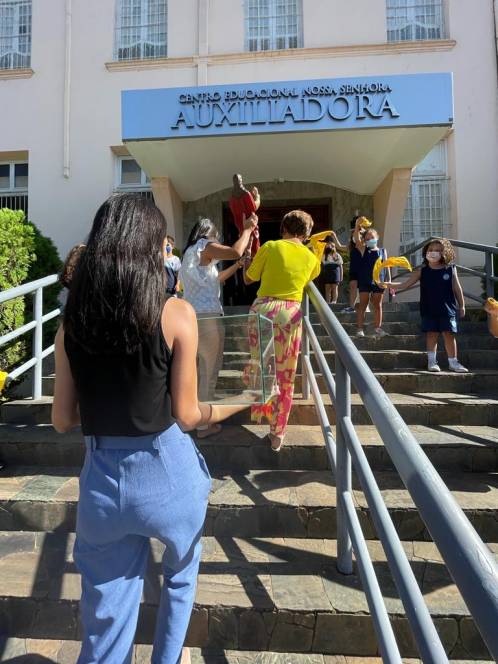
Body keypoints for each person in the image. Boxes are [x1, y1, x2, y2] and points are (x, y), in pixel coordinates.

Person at [51, 194, 252, 664]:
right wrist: (239, 402)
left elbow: (62, 419)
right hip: (166, 471)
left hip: (102, 479)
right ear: (150, 246)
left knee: (105, 611)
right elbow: (187, 414)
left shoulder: (71, 324)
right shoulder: (175, 313)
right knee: (179, 579)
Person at [243, 210, 320, 451]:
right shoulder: (311, 257)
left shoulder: (271, 246)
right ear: (306, 233)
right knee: (286, 376)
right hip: (290, 313)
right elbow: (309, 278)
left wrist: (247, 259)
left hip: (263, 310)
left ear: (283, 228)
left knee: (261, 367)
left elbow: (249, 278)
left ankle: (261, 411)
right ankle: (277, 433)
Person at [179, 215, 257, 438]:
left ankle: (190, 418)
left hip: (192, 317)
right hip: (208, 318)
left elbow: (217, 279)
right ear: (208, 234)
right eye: (216, 237)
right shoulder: (204, 245)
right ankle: (203, 424)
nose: (217, 241)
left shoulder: (191, 254)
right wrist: (247, 230)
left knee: (196, 372)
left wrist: (237, 266)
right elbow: (235, 251)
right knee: (209, 371)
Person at [392, 238, 468, 372]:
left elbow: (457, 288)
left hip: (448, 310)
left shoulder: (451, 269)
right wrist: (389, 285)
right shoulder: (422, 271)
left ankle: (453, 362)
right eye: (431, 250)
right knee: (431, 334)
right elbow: (406, 284)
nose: (433, 252)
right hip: (429, 309)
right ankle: (432, 362)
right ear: (425, 252)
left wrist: (462, 305)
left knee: (449, 335)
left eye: (438, 250)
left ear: (445, 253)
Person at [353, 218, 390, 337]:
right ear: (365, 240)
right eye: (367, 239)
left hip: (379, 281)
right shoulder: (364, 249)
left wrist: (388, 281)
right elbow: (357, 240)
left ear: (377, 237)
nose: (370, 240)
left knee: (377, 305)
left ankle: (378, 328)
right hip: (365, 280)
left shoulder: (383, 251)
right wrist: (357, 226)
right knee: (363, 305)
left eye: (372, 237)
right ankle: (360, 329)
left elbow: (387, 265)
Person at [229, 174, 261, 256]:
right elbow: (254, 207)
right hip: (250, 225)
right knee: (254, 245)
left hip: (240, 227)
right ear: (241, 181)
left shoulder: (232, 198)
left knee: (245, 245)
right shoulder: (246, 194)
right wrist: (257, 197)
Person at [321, 240, 343, 304]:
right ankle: (327, 301)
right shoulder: (324, 255)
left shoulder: (337, 255)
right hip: (327, 272)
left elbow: (340, 266)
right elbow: (323, 264)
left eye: (332, 246)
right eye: (328, 246)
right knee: (327, 287)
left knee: (334, 287)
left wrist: (341, 276)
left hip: (335, 272)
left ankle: (334, 301)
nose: (330, 247)